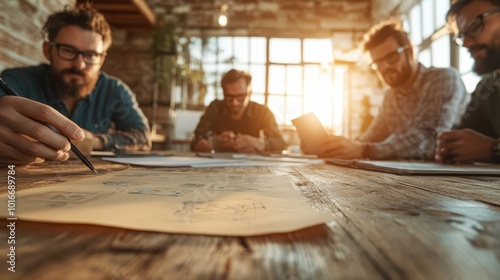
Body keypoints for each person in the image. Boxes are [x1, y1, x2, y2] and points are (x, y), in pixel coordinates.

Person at [0, 4, 151, 166]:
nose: (79, 65)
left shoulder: (115, 90)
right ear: (47, 50)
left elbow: (142, 138)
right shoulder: (16, 81)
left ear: (101, 59)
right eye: (68, 50)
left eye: (91, 55)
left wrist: (94, 141)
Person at [309, 20, 469, 160]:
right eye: (377, 63)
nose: (384, 67)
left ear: (410, 52)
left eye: (391, 57)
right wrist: (334, 146)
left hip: (461, 182)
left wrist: (364, 150)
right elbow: (370, 138)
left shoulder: (443, 79)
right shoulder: (391, 97)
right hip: (409, 180)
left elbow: (431, 139)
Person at [435, 0, 500, 164]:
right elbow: (464, 135)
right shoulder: (487, 87)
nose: (466, 44)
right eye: (462, 36)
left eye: (475, 27)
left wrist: (493, 149)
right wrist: (449, 147)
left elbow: (484, 148)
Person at [191, 69, 286, 153]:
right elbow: (196, 138)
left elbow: (281, 142)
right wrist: (211, 141)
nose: (234, 103)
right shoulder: (215, 107)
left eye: (240, 96)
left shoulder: (262, 112)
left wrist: (261, 144)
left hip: (254, 167)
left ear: (249, 93)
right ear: (224, 93)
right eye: (229, 97)